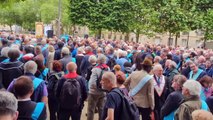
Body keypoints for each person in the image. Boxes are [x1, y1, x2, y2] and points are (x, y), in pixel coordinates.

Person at [87, 54, 109, 120]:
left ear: (98, 60)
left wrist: (91, 89)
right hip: (103, 91)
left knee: (91, 109)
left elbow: (92, 82)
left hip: (93, 92)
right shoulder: (107, 68)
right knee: (101, 109)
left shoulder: (95, 69)